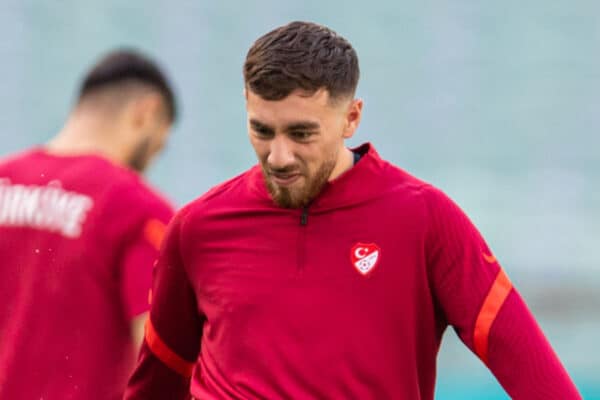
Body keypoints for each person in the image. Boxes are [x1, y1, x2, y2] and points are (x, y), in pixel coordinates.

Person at [125, 22, 581, 399]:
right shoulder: (197, 228)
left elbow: (532, 370)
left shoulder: (424, 220)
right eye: (262, 130)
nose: (278, 156)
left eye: (301, 134)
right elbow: (156, 383)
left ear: (352, 117)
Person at [0, 49, 177, 399]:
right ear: (147, 112)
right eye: (157, 147)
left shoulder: (4, 180)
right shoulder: (137, 208)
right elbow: (162, 355)